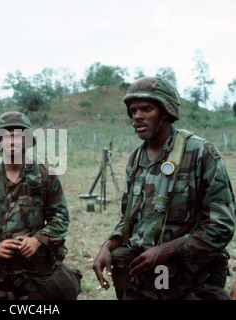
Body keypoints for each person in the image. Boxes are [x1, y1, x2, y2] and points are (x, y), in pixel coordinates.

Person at [92, 76, 236, 300]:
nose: (137, 116)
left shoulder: (199, 153)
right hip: (141, 279)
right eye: (133, 111)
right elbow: (129, 219)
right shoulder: (135, 158)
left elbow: (222, 224)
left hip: (187, 282)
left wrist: (170, 249)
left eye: (146, 109)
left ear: (166, 111)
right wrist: (108, 245)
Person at [0, 111, 72, 300]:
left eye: (19, 135)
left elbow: (60, 218)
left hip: (35, 275)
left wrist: (38, 240)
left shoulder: (45, 175)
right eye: (6, 135)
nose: (12, 140)